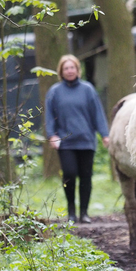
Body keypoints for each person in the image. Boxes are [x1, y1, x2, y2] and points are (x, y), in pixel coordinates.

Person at [45, 54, 110, 223]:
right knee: (69, 174)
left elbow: (98, 114)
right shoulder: (54, 92)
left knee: (86, 176)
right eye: (66, 68)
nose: (69, 71)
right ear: (61, 71)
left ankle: (84, 212)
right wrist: (51, 135)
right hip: (65, 141)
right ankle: (71, 211)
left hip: (86, 140)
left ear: (77, 69)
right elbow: (50, 116)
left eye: (72, 67)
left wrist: (104, 134)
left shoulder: (88, 89)